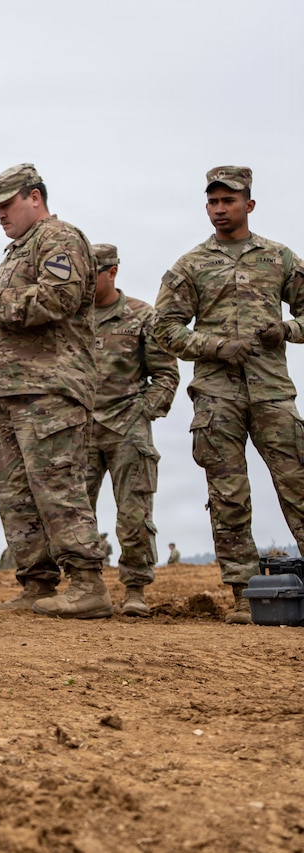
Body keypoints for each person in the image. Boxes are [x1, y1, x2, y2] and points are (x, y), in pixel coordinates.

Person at [0, 164, 109, 619]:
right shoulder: (17, 251)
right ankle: (37, 585)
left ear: (35, 197)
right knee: (17, 493)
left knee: (58, 486)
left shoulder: (59, 238)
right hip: (10, 391)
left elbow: (59, 299)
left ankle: (88, 585)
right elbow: (7, 317)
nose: (0, 214)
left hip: (49, 389)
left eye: (7, 205)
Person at [153, 165, 304, 625]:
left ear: (249, 204)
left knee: (298, 483)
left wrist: (287, 329)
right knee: (228, 495)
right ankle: (243, 593)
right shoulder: (190, 265)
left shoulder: (279, 257)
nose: (220, 209)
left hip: (272, 392)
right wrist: (216, 346)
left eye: (229, 201)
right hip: (216, 397)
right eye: (213, 202)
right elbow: (165, 328)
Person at [84, 243, 179, 617]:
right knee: (75, 515)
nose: (85, 282)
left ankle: (135, 588)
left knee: (134, 513)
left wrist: (143, 411)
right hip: (79, 430)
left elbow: (166, 374)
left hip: (127, 429)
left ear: (112, 272)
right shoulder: (70, 317)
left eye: (92, 274)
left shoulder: (141, 316)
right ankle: (85, 587)